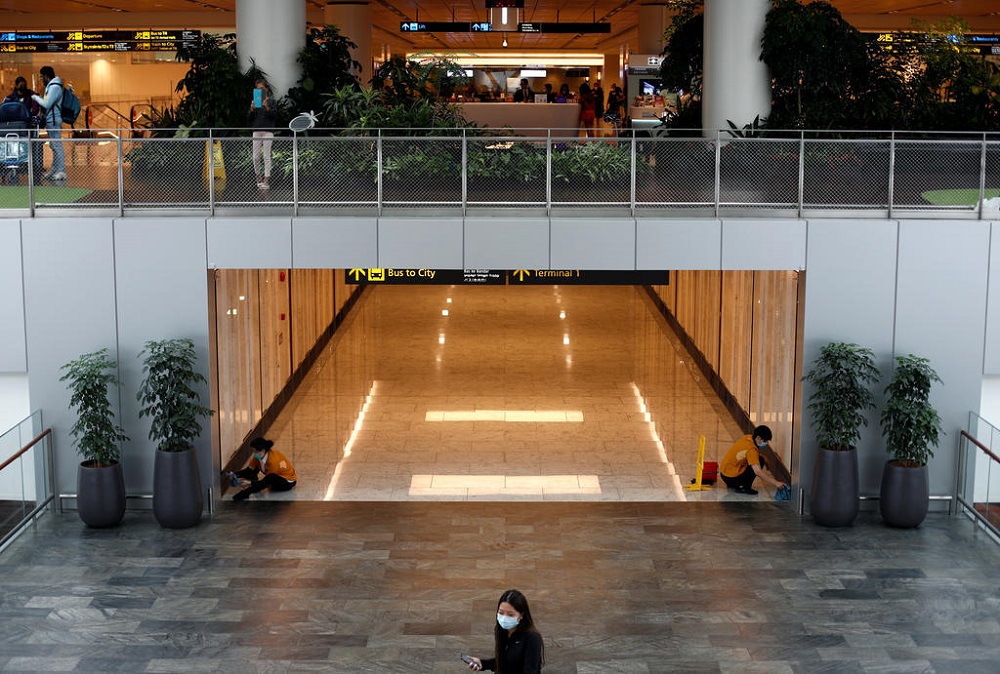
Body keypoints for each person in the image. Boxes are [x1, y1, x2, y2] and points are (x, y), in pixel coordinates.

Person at [465, 589, 543, 673]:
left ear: (521, 615)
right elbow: (506, 661)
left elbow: (530, 670)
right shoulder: (502, 631)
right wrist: (482, 664)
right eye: (501, 613)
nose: (504, 618)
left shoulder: (532, 638)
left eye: (510, 614)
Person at [720, 425, 787, 496]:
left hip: (724, 475)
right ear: (758, 438)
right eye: (765, 441)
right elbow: (758, 472)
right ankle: (743, 487)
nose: (766, 443)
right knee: (760, 461)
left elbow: (748, 452)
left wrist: (763, 456)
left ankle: (735, 484)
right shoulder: (752, 450)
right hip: (732, 479)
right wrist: (776, 483)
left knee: (759, 457)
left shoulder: (747, 438)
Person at [230, 437, 297, 501]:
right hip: (273, 479)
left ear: (263, 450)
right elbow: (249, 470)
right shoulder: (258, 456)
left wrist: (250, 483)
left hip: (286, 482)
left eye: (255, 451)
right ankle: (252, 483)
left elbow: (265, 481)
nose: (254, 454)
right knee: (253, 471)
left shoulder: (273, 461)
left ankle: (246, 493)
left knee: (270, 478)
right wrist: (235, 474)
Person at [31, 65, 66, 181]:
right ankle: (54, 170)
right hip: (51, 120)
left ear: (46, 76)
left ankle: (61, 171)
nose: (41, 80)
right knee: (54, 146)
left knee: (57, 146)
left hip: (54, 121)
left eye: (42, 77)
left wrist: (36, 98)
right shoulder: (52, 86)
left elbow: (46, 104)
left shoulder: (55, 87)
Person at [248, 78, 277, 190]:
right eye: (257, 89)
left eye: (261, 89)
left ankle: (266, 179)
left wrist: (267, 107)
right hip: (256, 130)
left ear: (266, 89)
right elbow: (249, 118)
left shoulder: (272, 101)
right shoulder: (255, 102)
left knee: (266, 156)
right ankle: (258, 177)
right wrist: (252, 109)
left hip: (268, 131)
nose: (259, 90)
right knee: (255, 157)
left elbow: (274, 116)